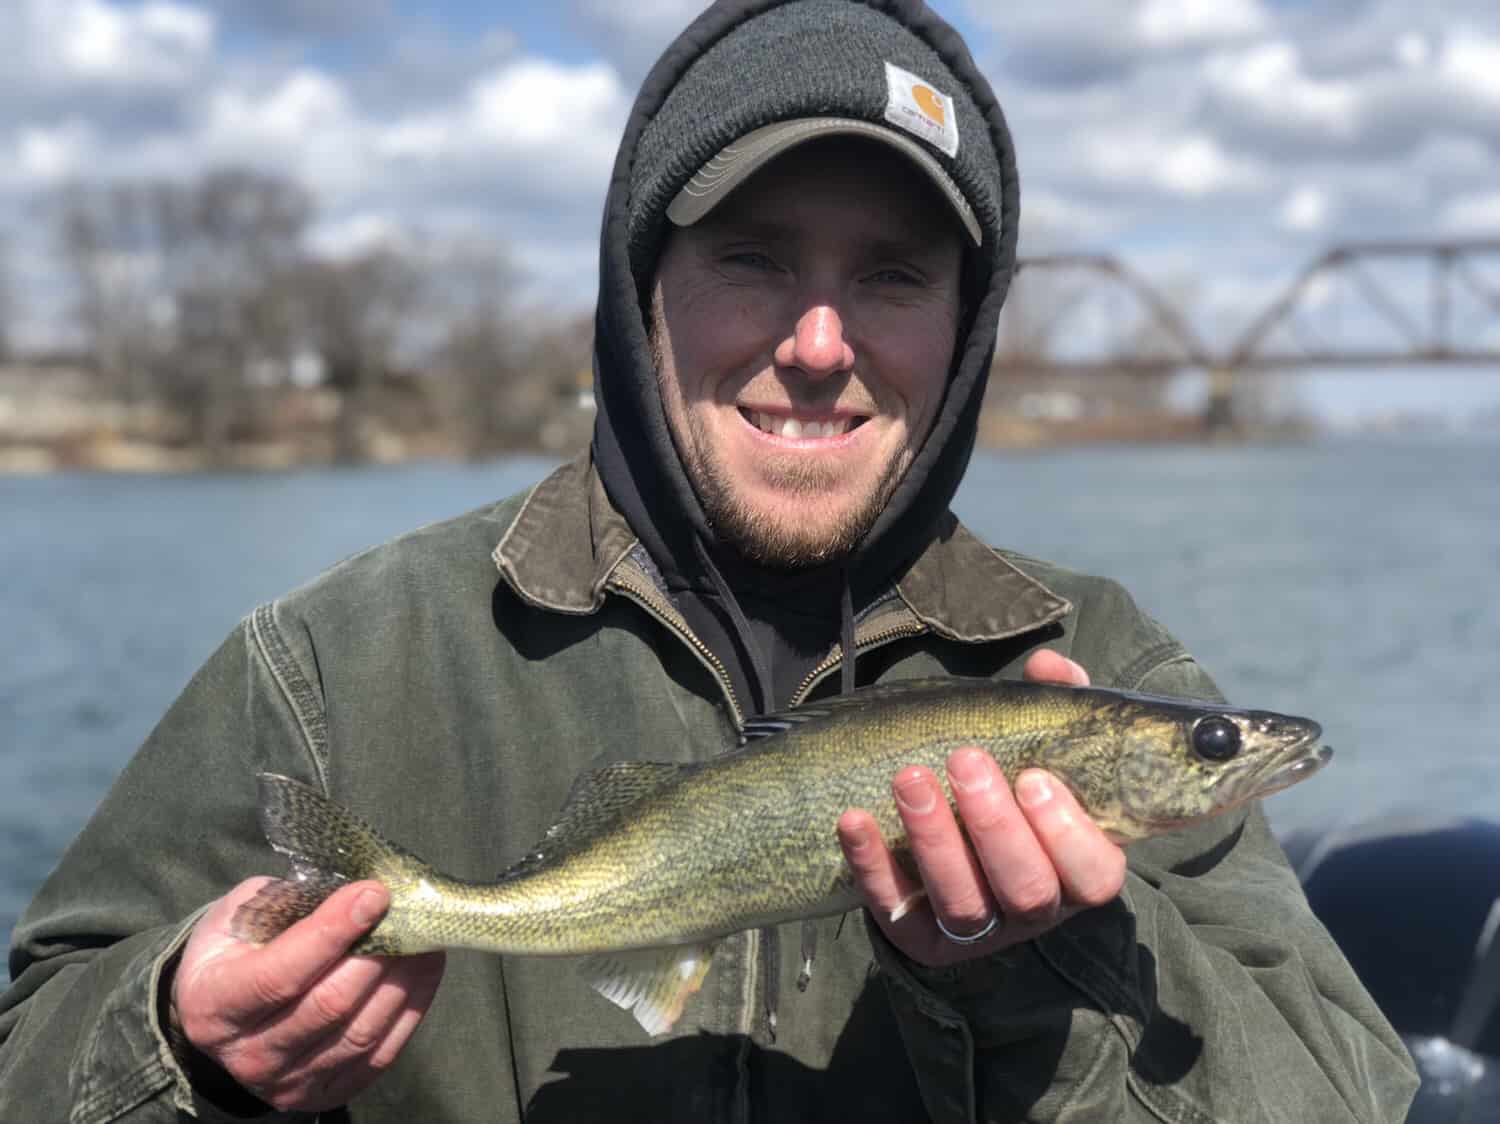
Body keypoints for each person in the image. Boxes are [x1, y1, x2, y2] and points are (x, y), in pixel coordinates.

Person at [0, 1, 1417, 1121]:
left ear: (967, 332)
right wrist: (182, 1045)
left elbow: (1343, 1097)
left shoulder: (1108, 660)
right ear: (642, 293)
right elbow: (32, 1048)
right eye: (753, 256)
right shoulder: (328, 666)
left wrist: (1053, 973)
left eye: (893, 274)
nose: (817, 344)